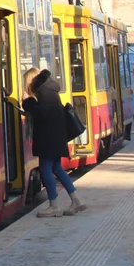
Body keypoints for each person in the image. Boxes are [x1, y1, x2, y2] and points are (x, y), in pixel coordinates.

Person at [22, 67, 87, 217]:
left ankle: (54, 205)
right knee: (57, 168)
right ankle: (76, 201)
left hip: (48, 139)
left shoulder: (44, 93)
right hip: (55, 138)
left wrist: (28, 102)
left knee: (46, 169)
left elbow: (41, 114)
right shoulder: (50, 91)